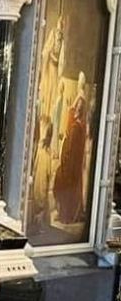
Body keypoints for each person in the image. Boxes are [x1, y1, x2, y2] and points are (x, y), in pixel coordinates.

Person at [53, 72, 89, 225]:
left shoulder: (77, 126)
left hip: (71, 163)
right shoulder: (76, 124)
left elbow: (72, 149)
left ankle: (66, 214)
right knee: (61, 180)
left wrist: (66, 159)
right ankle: (64, 212)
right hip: (70, 160)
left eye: (80, 81)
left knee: (63, 180)